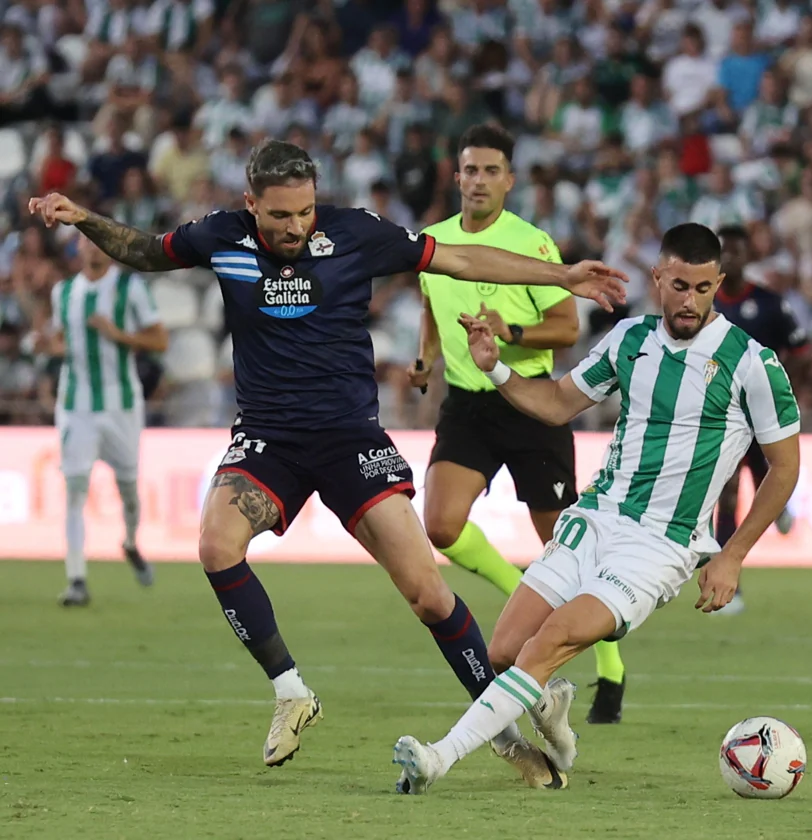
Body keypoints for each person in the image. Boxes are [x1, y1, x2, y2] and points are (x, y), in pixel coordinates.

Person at [28, 140, 626, 781]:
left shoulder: (356, 233)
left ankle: (505, 734)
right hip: (267, 440)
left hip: (350, 439)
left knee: (427, 594)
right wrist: (83, 217)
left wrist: (560, 275)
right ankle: (290, 691)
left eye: (305, 212)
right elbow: (148, 251)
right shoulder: (220, 236)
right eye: (280, 216)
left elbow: (459, 259)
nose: (295, 227)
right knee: (214, 545)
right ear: (251, 204)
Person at [392, 223, 801, 795]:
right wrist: (494, 367)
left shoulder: (751, 361)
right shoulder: (630, 339)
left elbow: (784, 465)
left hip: (661, 543)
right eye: (679, 285)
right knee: (505, 650)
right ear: (658, 277)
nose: (690, 301)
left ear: (720, 284)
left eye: (704, 288)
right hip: (596, 518)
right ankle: (557, 729)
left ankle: (439, 757)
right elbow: (558, 403)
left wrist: (732, 555)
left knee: (547, 643)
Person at [410, 124, 629, 725]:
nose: (478, 180)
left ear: (508, 180)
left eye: (490, 171)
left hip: (530, 401)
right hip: (467, 404)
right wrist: (425, 358)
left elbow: (567, 329)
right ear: (456, 176)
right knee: (442, 525)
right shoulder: (433, 242)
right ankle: (518, 595)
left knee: (563, 544)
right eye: (469, 170)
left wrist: (511, 334)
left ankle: (610, 663)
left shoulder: (531, 245)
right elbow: (432, 307)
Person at [36, 236, 166, 606]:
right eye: (85, 241)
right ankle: (77, 579)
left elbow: (160, 340)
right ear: (78, 247)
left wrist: (117, 334)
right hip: (75, 405)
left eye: (98, 242)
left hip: (120, 404)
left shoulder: (130, 286)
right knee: (74, 488)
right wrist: (46, 345)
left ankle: (129, 542)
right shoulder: (64, 292)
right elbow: (65, 341)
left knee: (128, 487)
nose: (93, 248)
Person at [710, 225, 808, 616]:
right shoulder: (705, 305)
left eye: (737, 252)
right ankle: (728, 588)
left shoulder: (769, 304)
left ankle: (780, 505)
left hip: (765, 417)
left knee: (765, 477)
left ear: (748, 257)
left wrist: (785, 399)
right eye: (724, 253)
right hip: (724, 418)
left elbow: (801, 352)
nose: (730, 259)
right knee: (727, 495)